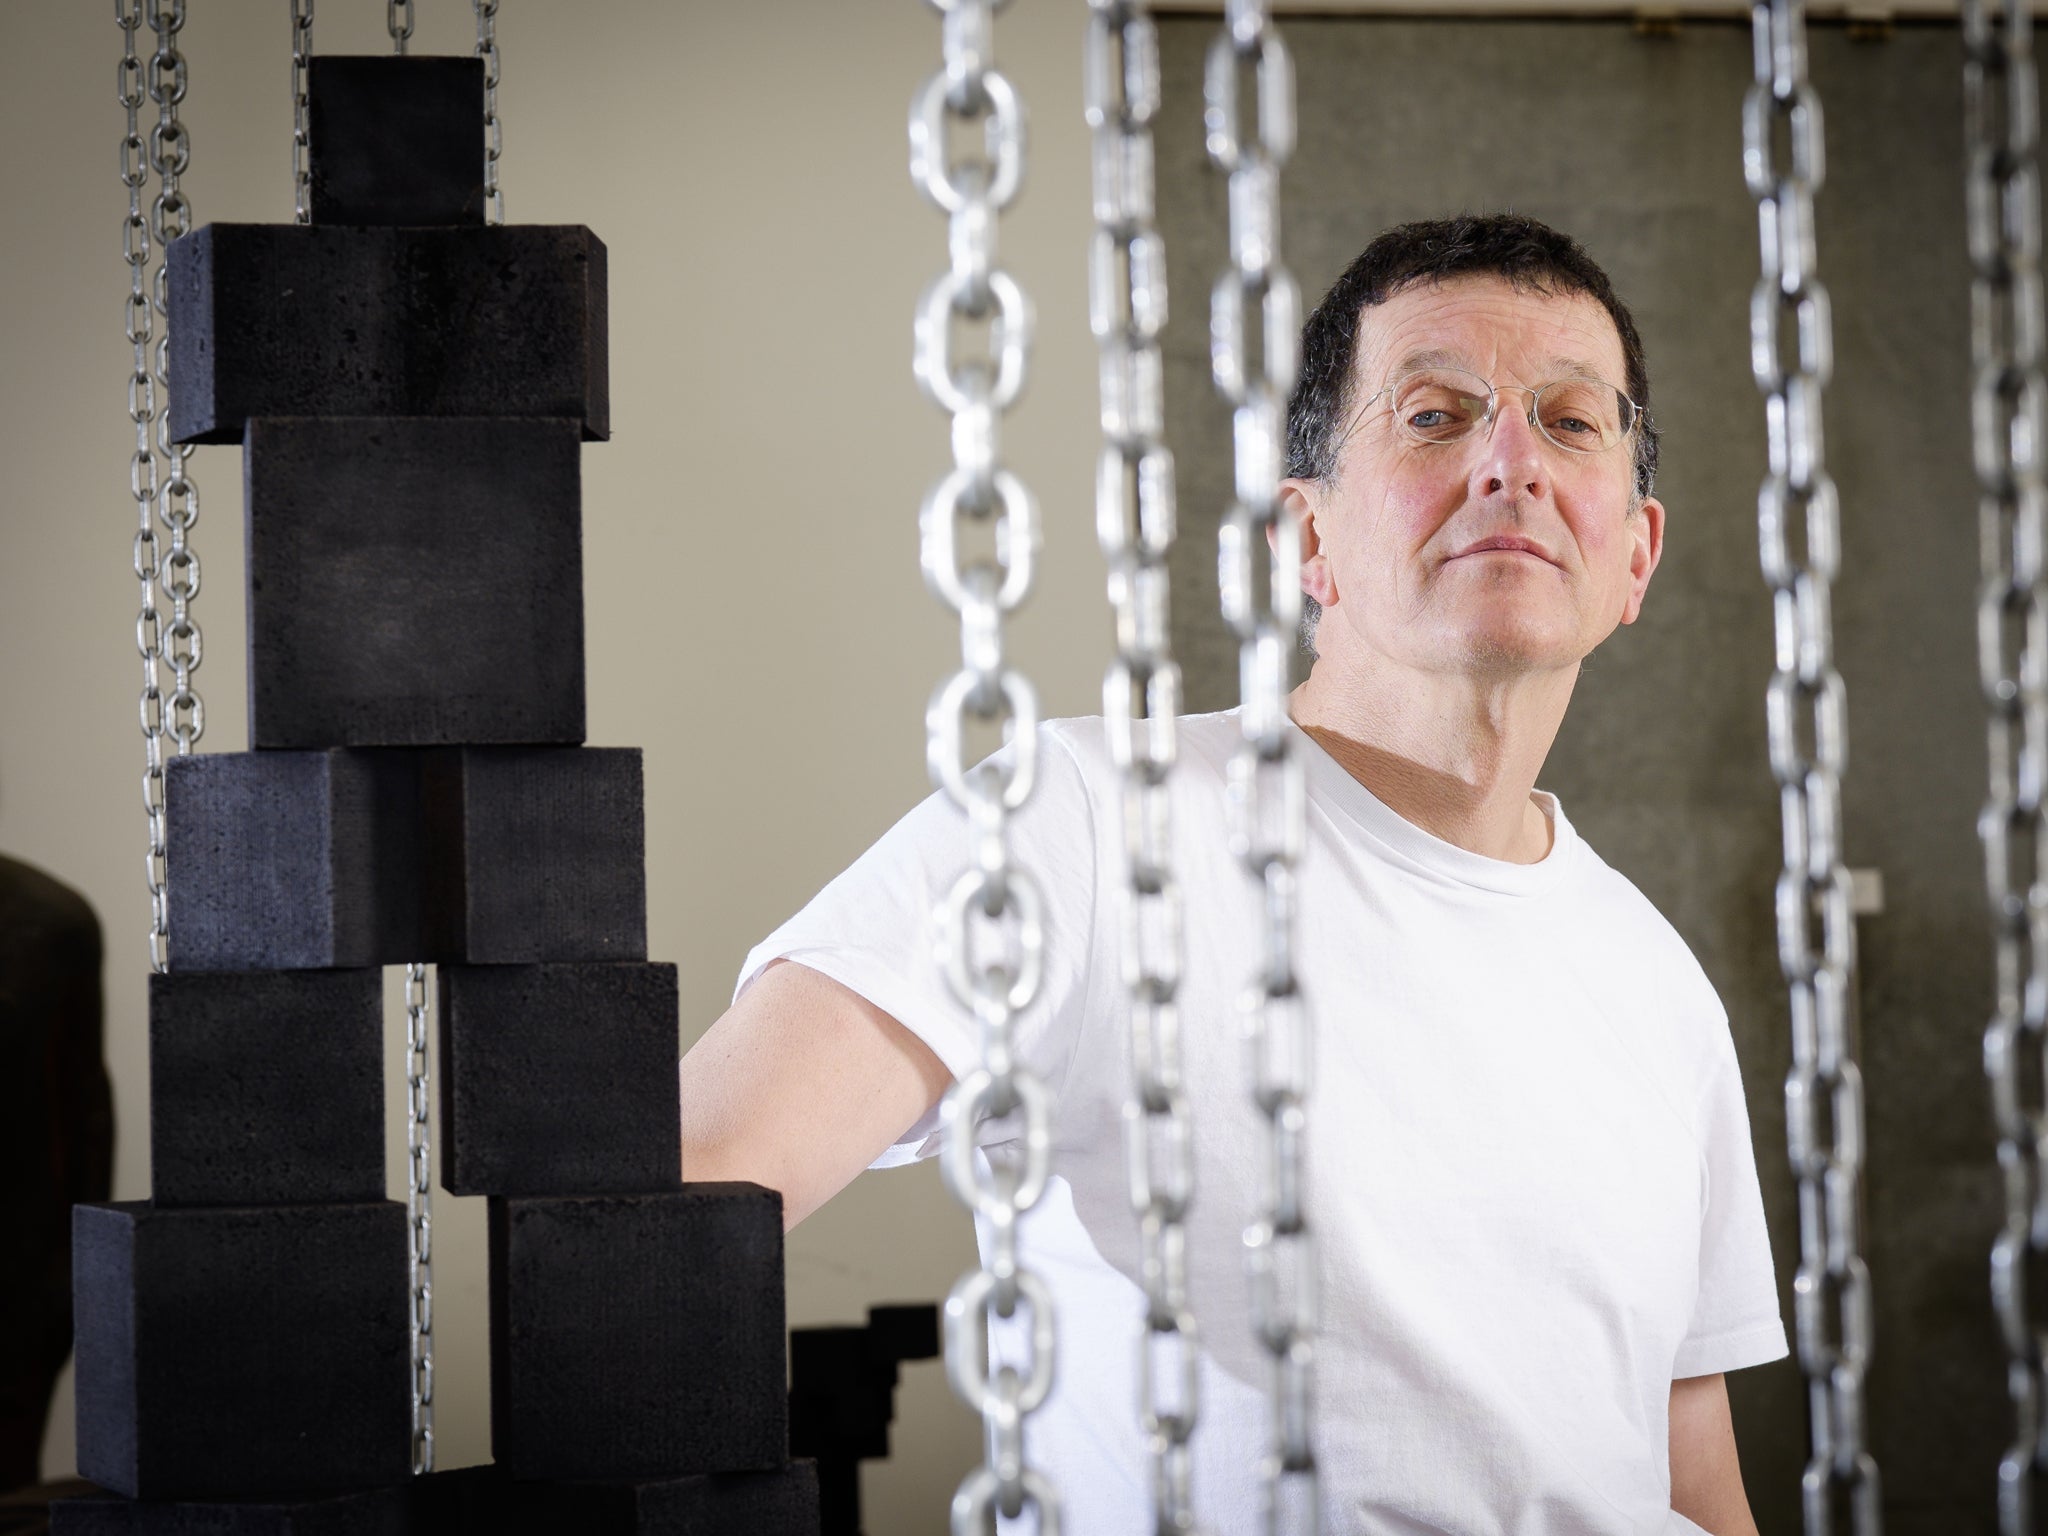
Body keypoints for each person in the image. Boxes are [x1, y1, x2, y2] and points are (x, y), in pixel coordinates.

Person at [679, 212, 1785, 1535]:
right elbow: (688, 1183)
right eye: (1435, 416)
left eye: (1569, 421)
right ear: (1306, 541)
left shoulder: (1660, 987)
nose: (1512, 464)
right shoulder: (1092, 825)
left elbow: (1694, 1478)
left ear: (1635, 557)